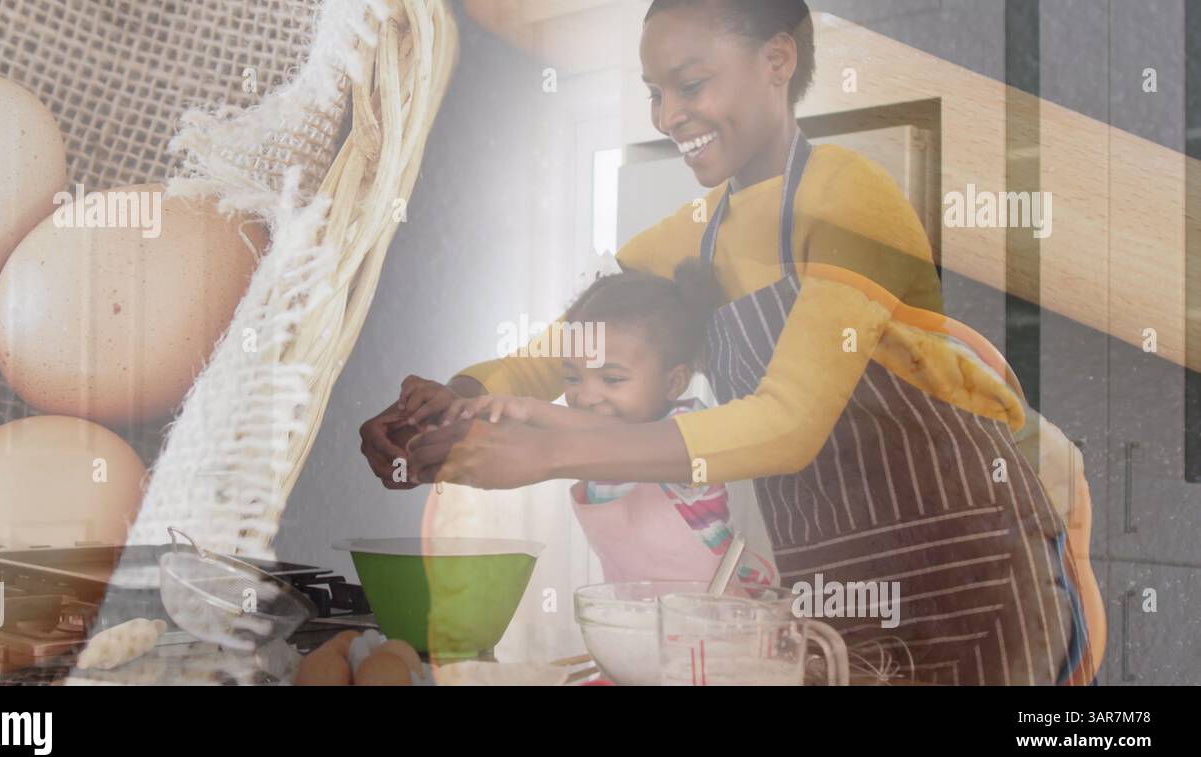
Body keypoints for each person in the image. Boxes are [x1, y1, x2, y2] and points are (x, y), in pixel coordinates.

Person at [361, 0, 1091, 685]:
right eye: (655, 92)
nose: (670, 114)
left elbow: (787, 423)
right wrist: (452, 405)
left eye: (691, 83)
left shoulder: (848, 198)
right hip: (828, 590)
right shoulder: (689, 236)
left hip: (969, 572)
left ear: (777, 61)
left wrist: (555, 447)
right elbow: (552, 354)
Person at [438, 269, 778, 586]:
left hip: (715, 626)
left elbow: (597, 436)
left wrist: (527, 408)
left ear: (673, 383)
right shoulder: (581, 440)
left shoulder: (686, 429)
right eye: (572, 377)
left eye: (612, 379)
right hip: (638, 621)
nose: (585, 396)